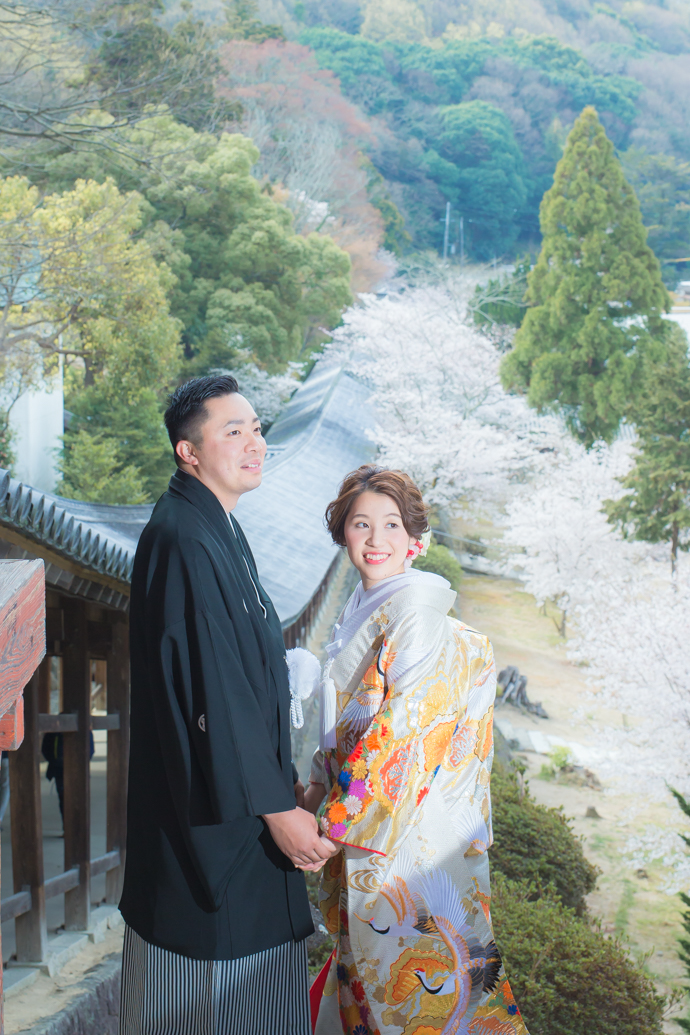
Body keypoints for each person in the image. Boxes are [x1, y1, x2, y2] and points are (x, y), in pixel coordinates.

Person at [119, 374, 336, 1035]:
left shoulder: (216, 528)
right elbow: (214, 691)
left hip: (242, 805)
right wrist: (277, 809)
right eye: (233, 431)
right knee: (209, 1006)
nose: (255, 443)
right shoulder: (183, 538)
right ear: (188, 451)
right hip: (213, 830)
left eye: (258, 429)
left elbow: (247, 676)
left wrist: (281, 783)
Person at [305, 465, 530, 1035]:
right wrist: (318, 784)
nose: (375, 539)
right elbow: (345, 720)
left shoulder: (417, 613)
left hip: (405, 838)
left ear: (415, 538)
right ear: (342, 532)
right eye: (361, 523)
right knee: (372, 990)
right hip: (380, 828)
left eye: (391, 524)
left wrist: (334, 823)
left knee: (416, 996)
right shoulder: (369, 605)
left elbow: (402, 734)